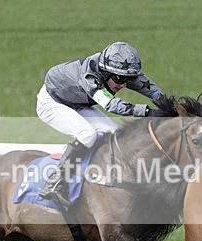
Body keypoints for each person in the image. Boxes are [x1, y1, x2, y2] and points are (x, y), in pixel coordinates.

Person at [36, 41, 167, 208]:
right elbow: (112, 105)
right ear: (105, 72)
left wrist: (169, 105)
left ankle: (99, 176)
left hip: (77, 102)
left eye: (129, 80)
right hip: (52, 103)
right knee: (87, 134)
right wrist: (150, 113)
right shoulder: (90, 76)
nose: (123, 84)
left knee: (112, 133)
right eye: (119, 79)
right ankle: (55, 182)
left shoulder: (120, 71)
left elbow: (153, 91)